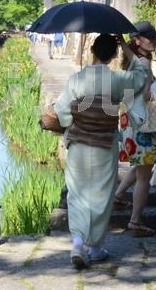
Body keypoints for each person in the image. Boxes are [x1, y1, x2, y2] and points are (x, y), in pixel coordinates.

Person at [54, 34, 150, 269]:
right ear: (113, 55)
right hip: (104, 145)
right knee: (101, 195)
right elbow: (141, 75)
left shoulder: (77, 79)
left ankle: (77, 243)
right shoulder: (118, 80)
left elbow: (62, 112)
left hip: (78, 144)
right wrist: (127, 47)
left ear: (93, 51)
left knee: (76, 194)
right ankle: (94, 247)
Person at [114, 22, 156, 237]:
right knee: (144, 177)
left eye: (154, 37)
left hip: (130, 124)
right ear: (137, 40)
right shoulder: (144, 64)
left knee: (141, 165)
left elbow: (129, 53)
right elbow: (147, 95)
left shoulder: (133, 61)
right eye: (148, 37)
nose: (153, 40)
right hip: (143, 127)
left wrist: (121, 41)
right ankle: (136, 221)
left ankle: (119, 196)